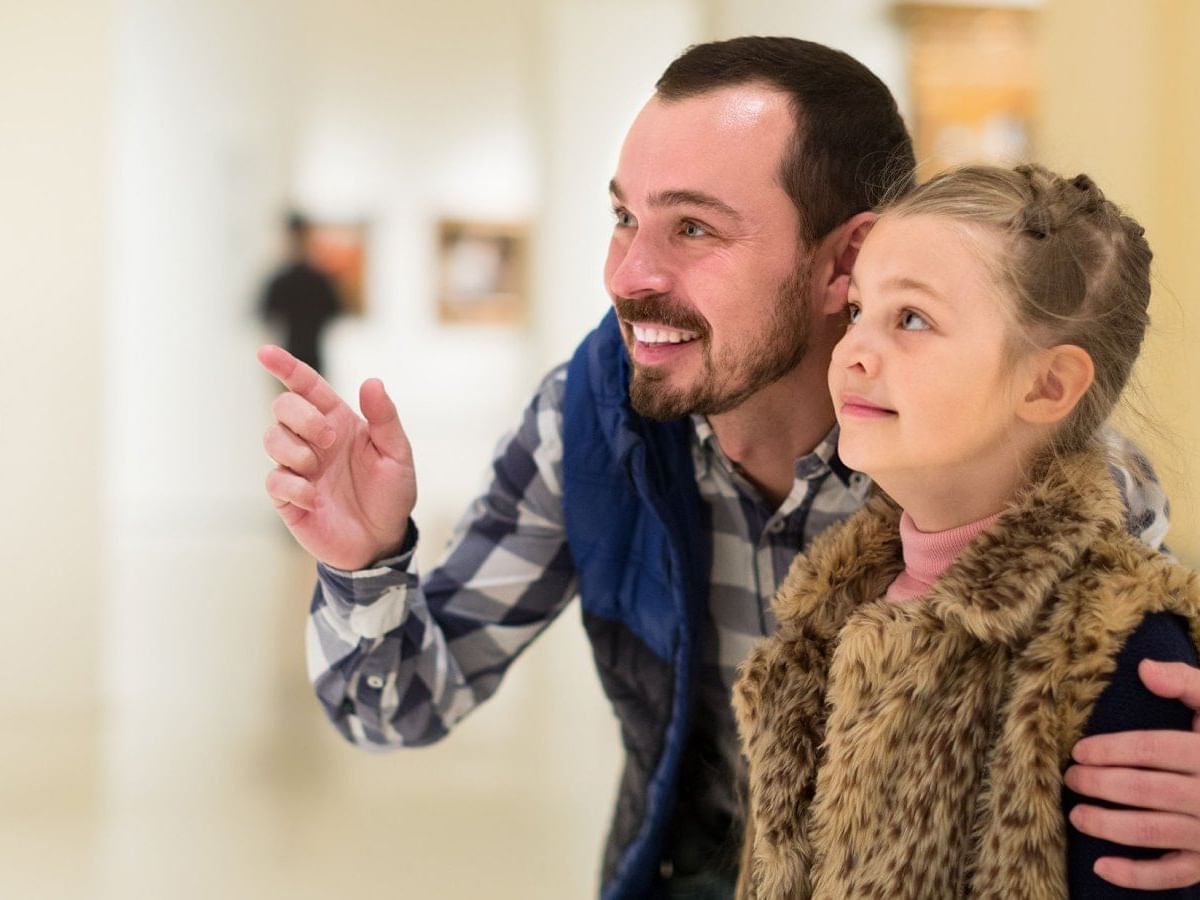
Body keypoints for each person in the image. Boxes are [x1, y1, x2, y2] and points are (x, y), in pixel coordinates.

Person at [258, 37, 1200, 899]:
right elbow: (394, 709)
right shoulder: (590, 418)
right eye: (624, 217)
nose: (627, 274)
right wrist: (364, 560)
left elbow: (1132, 692)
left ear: (850, 260)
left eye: (694, 230)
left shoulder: (1022, 474)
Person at [732, 164, 1200, 899]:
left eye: (912, 319)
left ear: (1047, 386)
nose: (852, 350)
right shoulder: (832, 609)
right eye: (857, 311)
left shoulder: (1114, 651)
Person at [259, 211, 342, 375]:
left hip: (302, 355)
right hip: (292, 356)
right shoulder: (315, 279)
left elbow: (266, 314)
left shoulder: (312, 279)